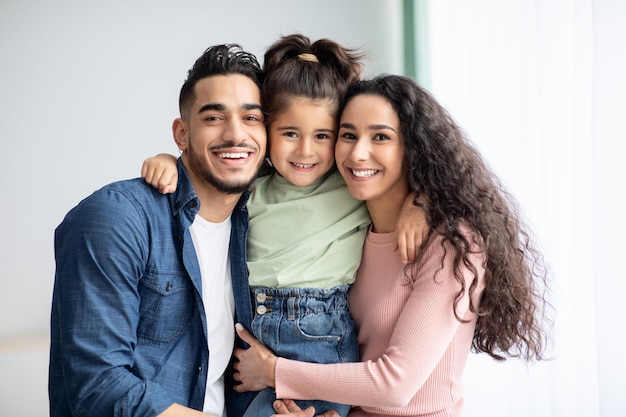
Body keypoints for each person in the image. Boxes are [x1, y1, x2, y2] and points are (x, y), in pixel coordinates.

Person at [231, 74, 552, 417]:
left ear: (414, 148)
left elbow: (394, 384)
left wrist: (274, 372)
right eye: (348, 135)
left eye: (380, 137)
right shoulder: (349, 229)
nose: (358, 152)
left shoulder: (452, 245)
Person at [141, 35, 428, 417]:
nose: (306, 150)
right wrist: (167, 159)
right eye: (290, 133)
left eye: (322, 136)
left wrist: (419, 204)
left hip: (319, 342)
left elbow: (410, 180)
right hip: (252, 336)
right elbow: (206, 170)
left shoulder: (348, 187)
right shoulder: (251, 186)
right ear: (267, 131)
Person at [49, 44, 267, 417]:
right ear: (181, 134)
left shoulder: (259, 224)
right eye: (214, 117)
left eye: (251, 118)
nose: (235, 134)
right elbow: (99, 386)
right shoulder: (115, 219)